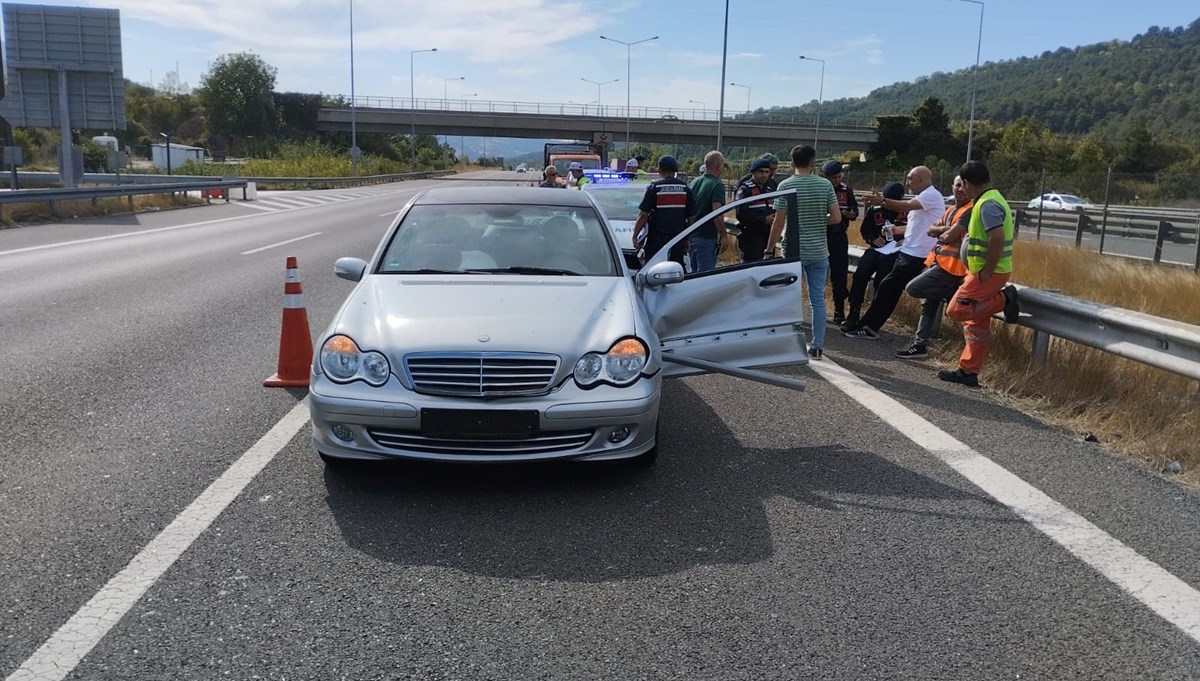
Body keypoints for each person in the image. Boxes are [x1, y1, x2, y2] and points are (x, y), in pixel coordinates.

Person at [939, 161, 1020, 387]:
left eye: (961, 184)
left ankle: (1006, 299)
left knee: (956, 310)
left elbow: (996, 238)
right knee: (976, 324)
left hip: (988, 274)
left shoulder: (987, 204)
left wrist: (985, 272)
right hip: (982, 272)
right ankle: (968, 371)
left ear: (965, 183)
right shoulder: (987, 200)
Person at [843, 166, 942, 339]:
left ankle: (868, 327)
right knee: (888, 288)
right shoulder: (924, 196)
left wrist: (882, 201)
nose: (908, 183)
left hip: (916, 255)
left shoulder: (930, 195)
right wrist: (898, 230)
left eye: (910, 179)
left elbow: (907, 205)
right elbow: (919, 226)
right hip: (909, 251)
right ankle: (866, 325)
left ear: (920, 179)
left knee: (887, 288)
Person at [765, 144, 841, 360]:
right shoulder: (825, 184)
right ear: (813, 163)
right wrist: (819, 219)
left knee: (789, 296)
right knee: (817, 300)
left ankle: (787, 342)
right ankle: (817, 346)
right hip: (819, 250)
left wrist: (770, 250)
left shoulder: (786, 185)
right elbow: (836, 218)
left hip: (793, 249)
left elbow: (778, 222)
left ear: (792, 163)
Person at [895, 175, 974, 359]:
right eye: (957, 185)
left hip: (953, 268)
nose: (960, 189)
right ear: (952, 187)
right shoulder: (951, 210)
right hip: (938, 262)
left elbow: (949, 235)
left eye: (964, 186)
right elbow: (931, 230)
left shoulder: (970, 210)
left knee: (913, 288)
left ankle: (951, 293)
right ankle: (919, 345)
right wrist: (946, 229)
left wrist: (945, 230)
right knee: (928, 304)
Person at [843, 181, 907, 330]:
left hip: (895, 252)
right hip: (876, 249)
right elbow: (865, 230)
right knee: (860, 275)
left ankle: (872, 317)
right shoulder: (875, 210)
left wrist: (904, 241)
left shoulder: (907, 211)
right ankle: (854, 312)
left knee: (881, 282)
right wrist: (872, 239)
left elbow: (915, 231)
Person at [632, 155, 695, 267]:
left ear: (659, 169)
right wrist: (688, 239)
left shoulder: (654, 188)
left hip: (656, 239)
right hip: (678, 239)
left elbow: (643, 215)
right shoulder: (685, 189)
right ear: (675, 170)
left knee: (652, 269)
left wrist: (635, 235)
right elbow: (691, 218)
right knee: (676, 269)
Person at [821, 160, 859, 325]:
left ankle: (839, 311)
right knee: (818, 274)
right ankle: (818, 308)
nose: (835, 180)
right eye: (832, 178)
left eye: (838, 176)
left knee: (839, 275)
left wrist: (848, 214)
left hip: (838, 236)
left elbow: (855, 211)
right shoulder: (820, 189)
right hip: (820, 236)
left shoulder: (846, 190)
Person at [687, 150, 727, 273]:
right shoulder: (717, 185)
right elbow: (716, 213)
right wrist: (724, 235)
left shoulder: (693, 183)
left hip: (690, 236)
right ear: (719, 165)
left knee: (692, 276)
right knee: (705, 277)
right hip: (707, 237)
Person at [733, 158, 775, 263]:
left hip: (767, 237)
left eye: (767, 172)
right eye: (761, 171)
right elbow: (741, 214)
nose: (764, 175)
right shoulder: (745, 189)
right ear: (753, 172)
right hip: (751, 237)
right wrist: (763, 219)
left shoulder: (769, 190)